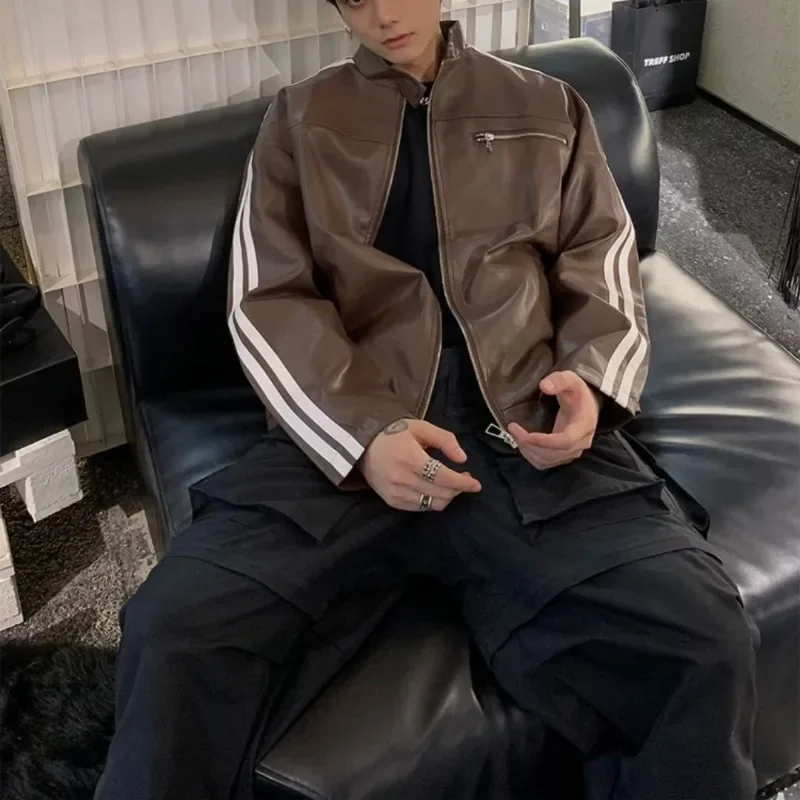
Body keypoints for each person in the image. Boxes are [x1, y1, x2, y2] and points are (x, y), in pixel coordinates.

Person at [95, 1, 761, 798]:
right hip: (348, 423)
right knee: (173, 629)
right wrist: (362, 436)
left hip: (521, 420)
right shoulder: (301, 118)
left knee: (702, 640)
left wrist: (591, 383)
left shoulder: (545, 104)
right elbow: (264, 298)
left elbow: (602, 254)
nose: (382, 14)